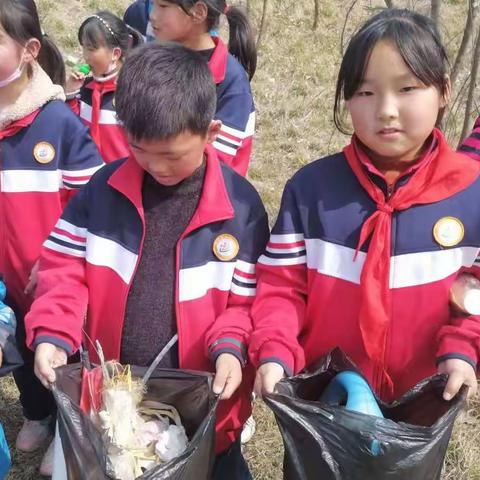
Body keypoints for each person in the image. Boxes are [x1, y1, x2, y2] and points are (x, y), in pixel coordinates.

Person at [26, 42, 269, 480]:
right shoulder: (101, 192)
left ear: (211, 132)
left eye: (172, 155)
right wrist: (53, 334)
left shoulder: (240, 210)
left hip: (205, 407)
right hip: (116, 405)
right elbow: (64, 271)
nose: (156, 166)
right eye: (140, 150)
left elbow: (246, 304)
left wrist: (231, 350)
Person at [250, 9, 480, 406]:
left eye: (407, 89)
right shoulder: (312, 191)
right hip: (326, 400)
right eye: (366, 92)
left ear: (443, 90)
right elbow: (282, 287)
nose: (386, 110)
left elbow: (475, 289)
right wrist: (275, 348)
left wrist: (462, 349)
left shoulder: (470, 193)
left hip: (423, 399)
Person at [0, 0, 103, 475]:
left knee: (62, 356)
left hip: (52, 280)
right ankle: (39, 414)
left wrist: (59, 266)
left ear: (29, 50)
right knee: (17, 347)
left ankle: (69, 425)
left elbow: (91, 211)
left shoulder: (60, 125)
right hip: (5, 283)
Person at [149, 0, 256, 176]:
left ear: (198, 12)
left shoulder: (231, 82)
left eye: (163, 6)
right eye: (153, 4)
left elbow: (217, 162)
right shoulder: (155, 61)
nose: (152, 15)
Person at [66, 11, 143, 163]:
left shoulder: (132, 92)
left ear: (115, 53)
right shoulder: (84, 89)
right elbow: (71, 129)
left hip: (119, 179)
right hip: (86, 176)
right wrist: (70, 95)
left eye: (91, 48)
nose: (85, 56)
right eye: (84, 47)